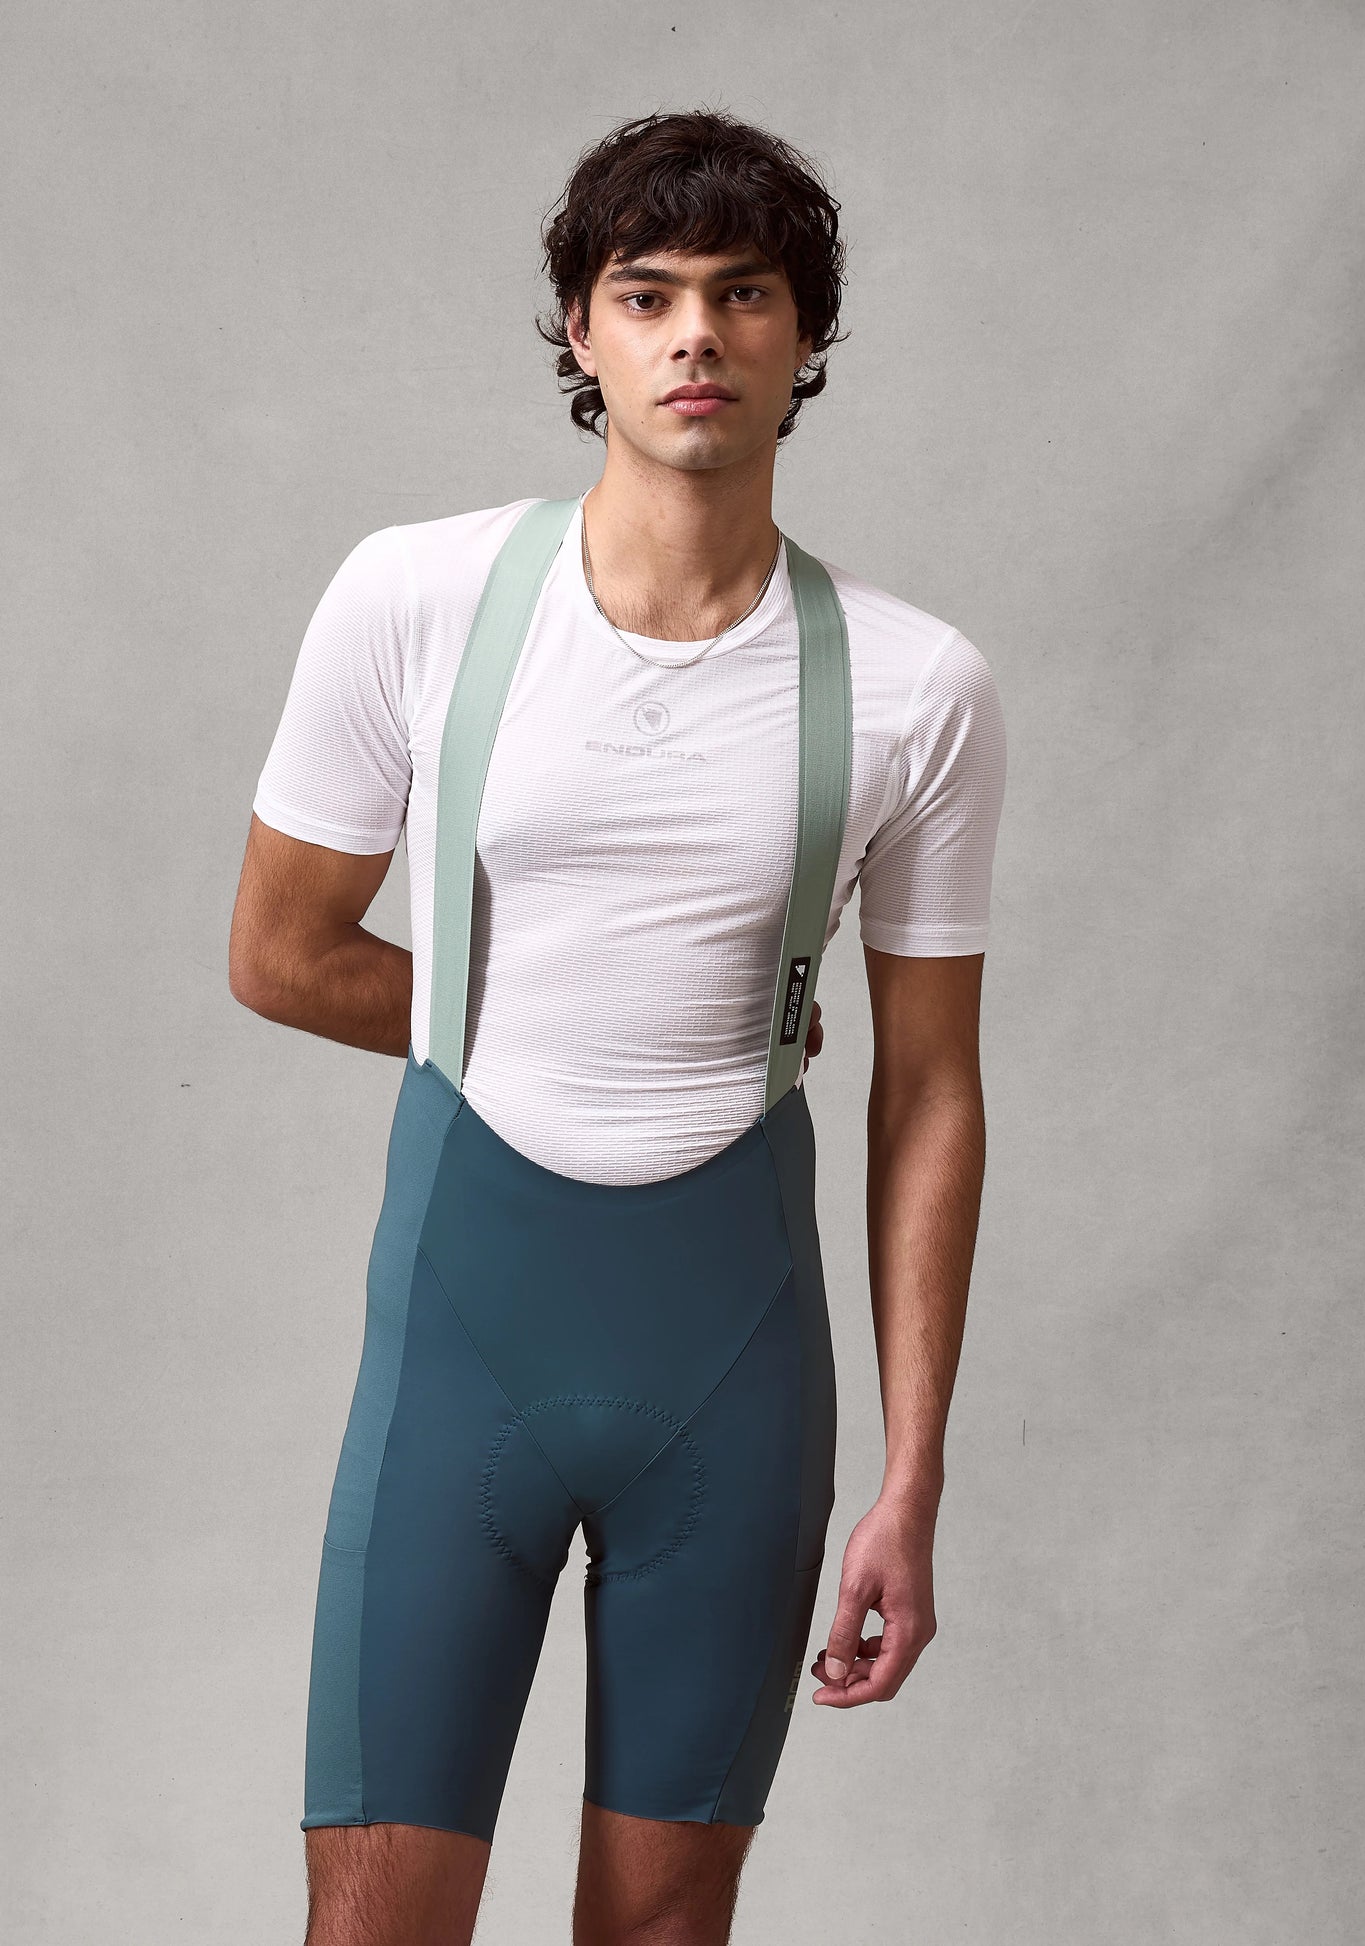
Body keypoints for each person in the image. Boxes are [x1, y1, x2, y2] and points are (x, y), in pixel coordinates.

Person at [229, 107, 1006, 1946]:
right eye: (645, 294)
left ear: (804, 336)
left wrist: (913, 1477)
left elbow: (928, 1091)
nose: (694, 335)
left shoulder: (916, 686)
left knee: (664, 1932)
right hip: (463, 1352)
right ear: (580, 330)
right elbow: (279, 952)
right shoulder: (418, 596)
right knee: (371, 1925)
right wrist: (538, 1020)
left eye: (743, 295)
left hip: (730, 1371)